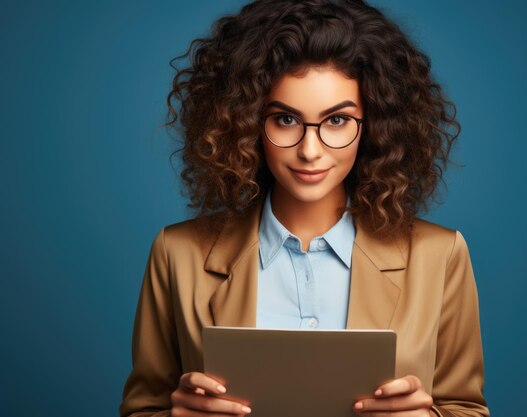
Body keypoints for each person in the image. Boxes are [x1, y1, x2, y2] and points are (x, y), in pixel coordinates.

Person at [119, 1, 490, 416]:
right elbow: (141, 408)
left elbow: (466, 408)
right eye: (285, 120)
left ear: (376, 126)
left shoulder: (440, 257)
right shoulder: (178, 253)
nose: (309, 151)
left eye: (336, 121)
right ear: (244, 123)